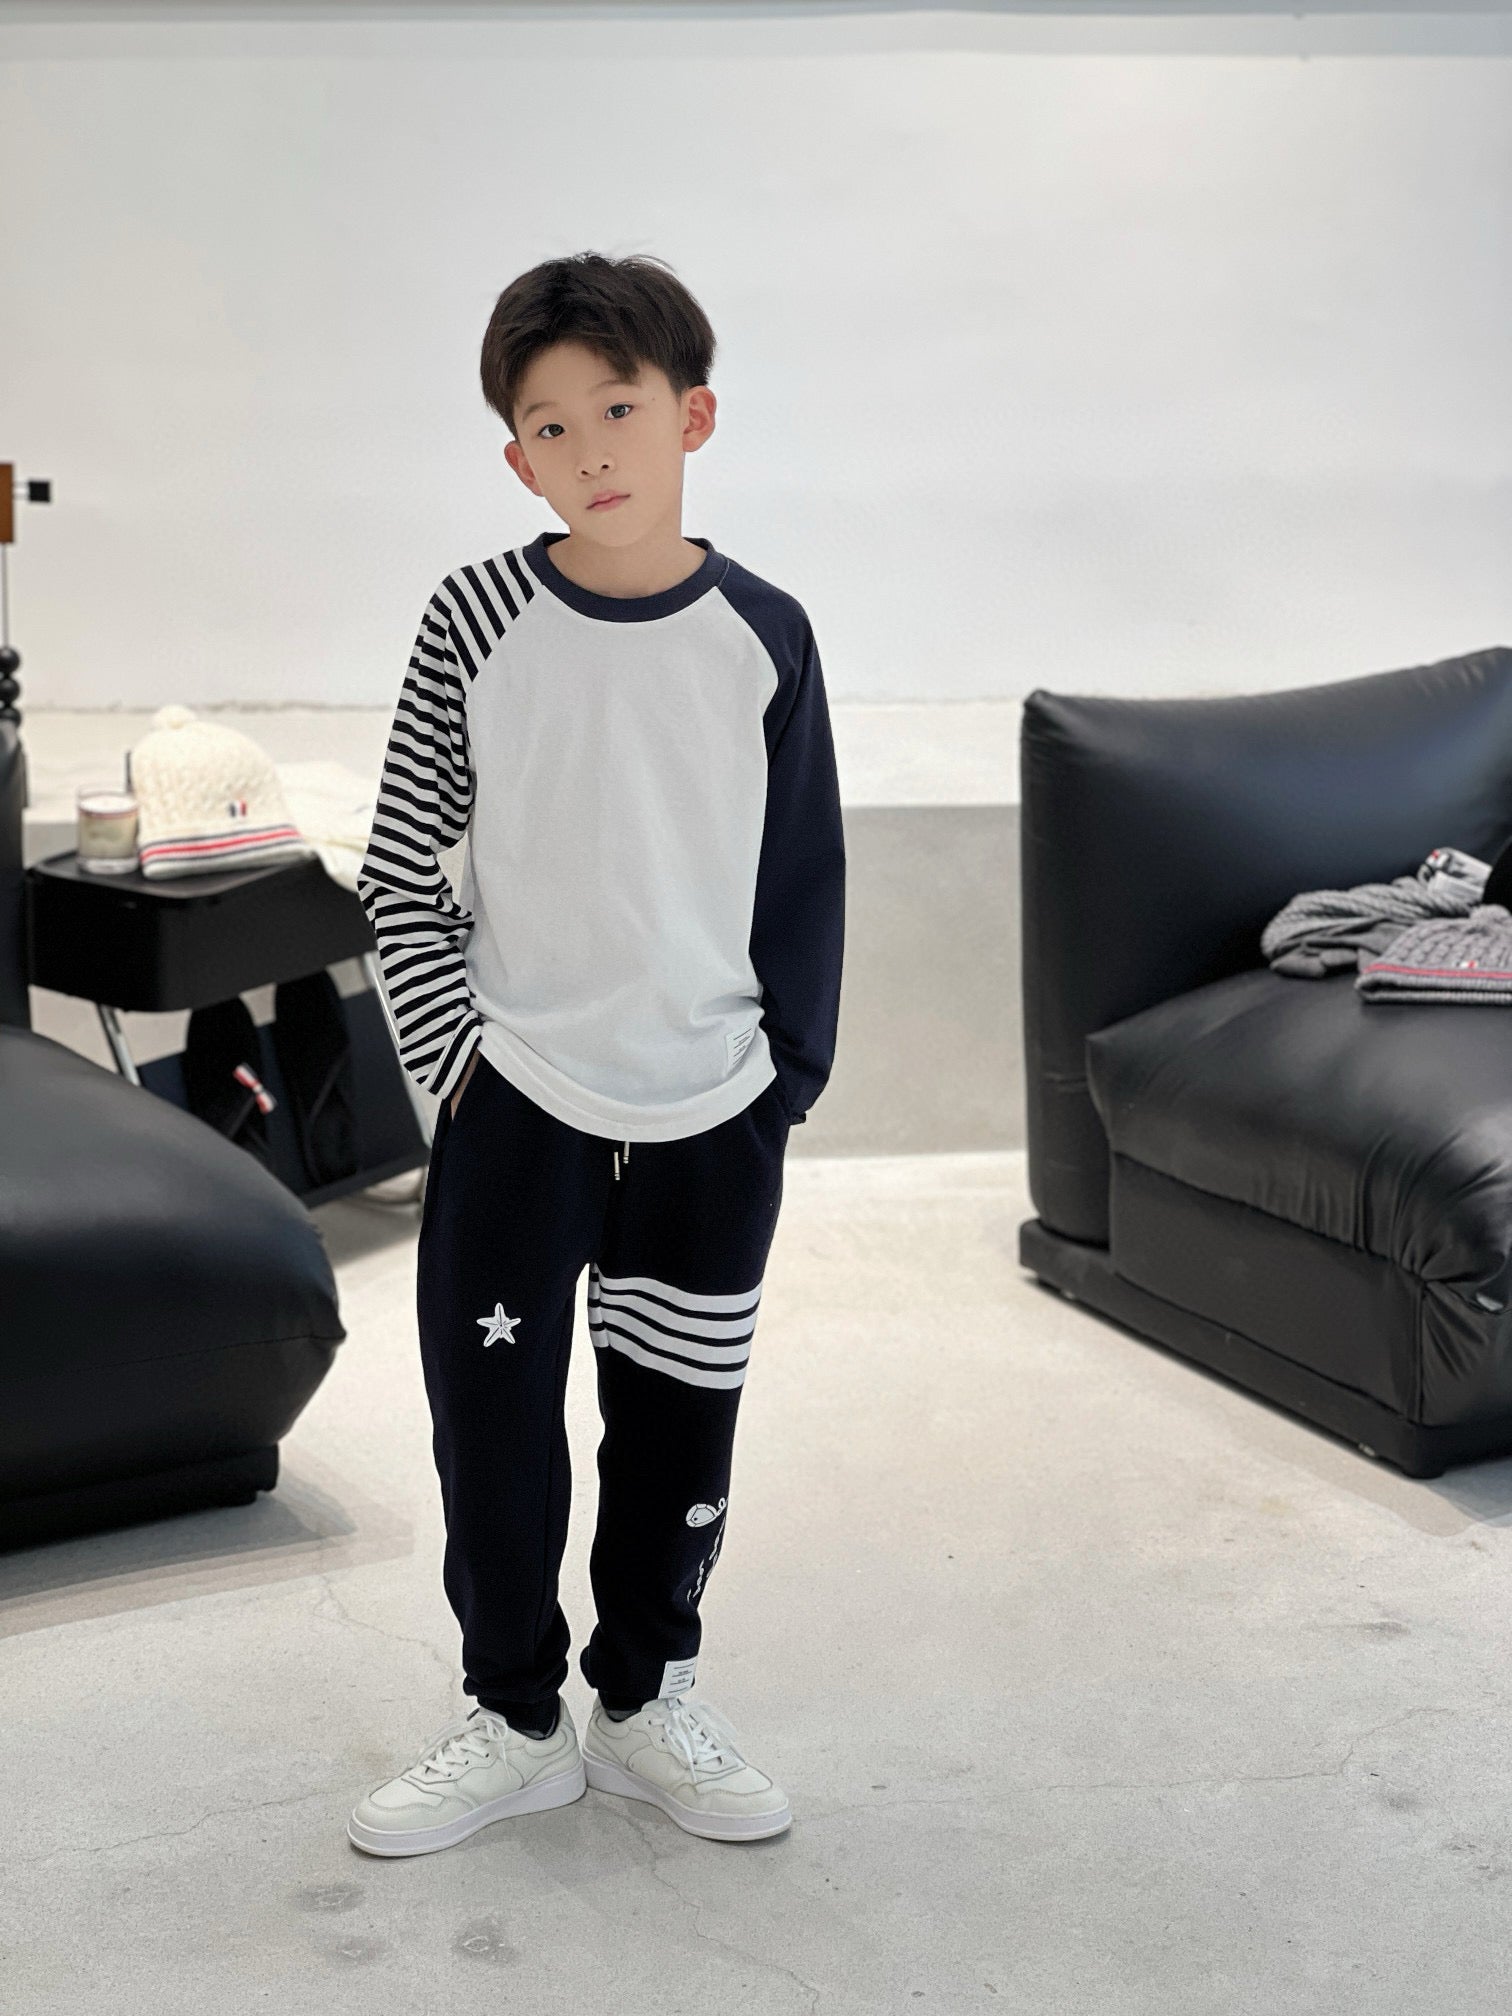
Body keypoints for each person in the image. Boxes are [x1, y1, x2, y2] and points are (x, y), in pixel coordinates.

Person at [347, 251, 846, 1856]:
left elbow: (802, 876)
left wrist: (783, 1080)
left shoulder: (764, 633)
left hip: (712, 1108)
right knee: (493, 1431)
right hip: (520, 1106)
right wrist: (459, 1075)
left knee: (680, 1428)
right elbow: (400, 867)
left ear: (693, 416)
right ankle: (513, 1719)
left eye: (619, 410)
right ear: (518, 460)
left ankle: (644, 1701)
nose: (590, 451)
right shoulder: (475, 618)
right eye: (550, 428)